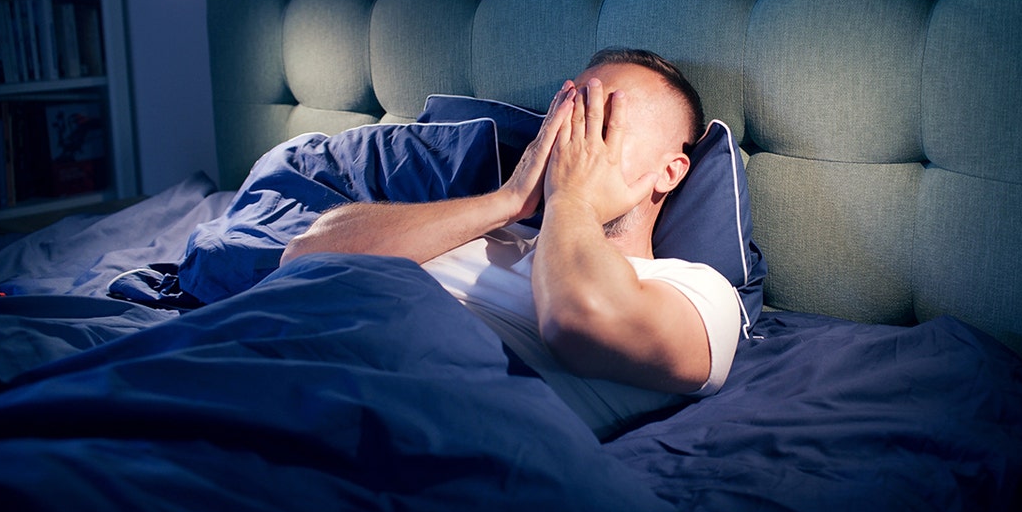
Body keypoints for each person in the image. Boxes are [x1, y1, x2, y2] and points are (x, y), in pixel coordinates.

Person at [280, 48, 741, 437]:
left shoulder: (699, 292)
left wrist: (573, 199)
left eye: (601, 127)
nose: (572, 142)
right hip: (288, 354)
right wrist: (508, 201)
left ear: (669, 172)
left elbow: (579, 322)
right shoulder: (481, 230)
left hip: (384, 418)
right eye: (568, 117)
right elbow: (304, 255)